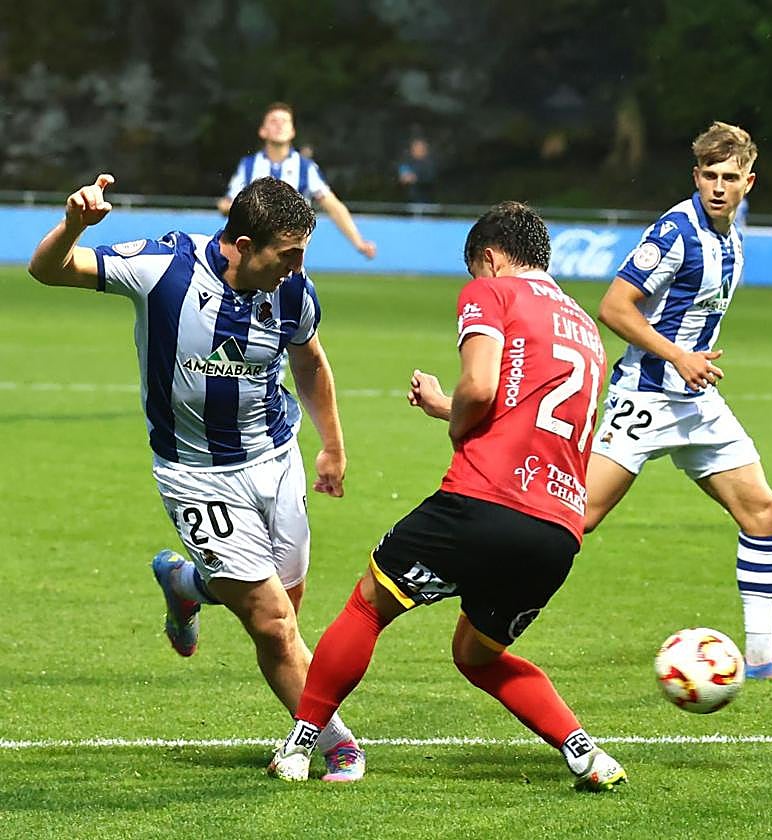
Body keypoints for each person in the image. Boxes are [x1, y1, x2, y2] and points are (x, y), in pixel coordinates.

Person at [268, 202, 626, 791]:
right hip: (558, 525)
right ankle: (585, 752)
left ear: (489, 258)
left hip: (483, 500)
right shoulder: (585, 326)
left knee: (369, 604)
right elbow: (529, 411)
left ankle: (300, 744)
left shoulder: (492, 293)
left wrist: (456, 421)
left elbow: (482, 386)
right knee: (475, 654)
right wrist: (446, 408)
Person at [28, 175, 366, 782]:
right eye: (285, 255)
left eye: (303, 254)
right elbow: (49, 270)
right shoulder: (162, 266)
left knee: (284, 607)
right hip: (196, 476)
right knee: (272, 622)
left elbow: (309, 360)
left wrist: (333, 448)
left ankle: (185, 583)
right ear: (240, 243)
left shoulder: (292, 291)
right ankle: (334, 739)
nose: (296, 268)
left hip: (276, 460)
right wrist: (76, 223)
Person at [585, 121, 772, 683]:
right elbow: (615, 307)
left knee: (764, 513)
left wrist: (689, 364)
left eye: (730, 177)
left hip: (697, 401)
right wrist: (677, 355)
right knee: (579, 519)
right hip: (645, 395)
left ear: (749, 182)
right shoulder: (675, 231)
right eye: (710, 176)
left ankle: (763, 659)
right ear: (696, 176)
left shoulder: (730, 237)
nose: (719, 186)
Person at [219, 102, 377, 260]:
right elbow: (228, 203)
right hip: (253, 257)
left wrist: (359, 242)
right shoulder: (248, 166)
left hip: (291, 259)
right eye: (274, 121)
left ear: (292, 131)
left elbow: (333, 206)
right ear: (262, 131)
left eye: (285, 121)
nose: (279, 126)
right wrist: (227, 206)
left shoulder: (305, 167)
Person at [396, 136, 437, 203]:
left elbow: (431, 178)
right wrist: (401, 179)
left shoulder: (430, 163)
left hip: (425, 200)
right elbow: (397, 178)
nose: (417, 151)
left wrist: (416, 178)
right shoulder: (407, 162)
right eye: (415, 148)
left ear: (425, 150)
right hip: (406, 202)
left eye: (420, 149)